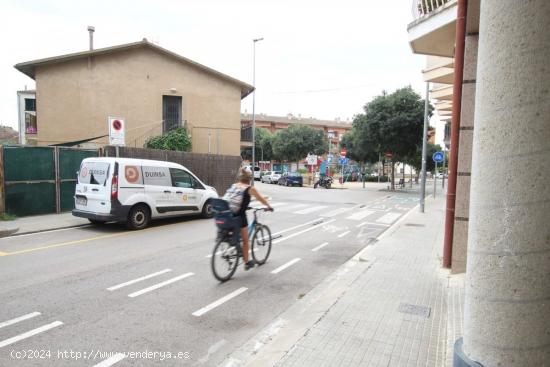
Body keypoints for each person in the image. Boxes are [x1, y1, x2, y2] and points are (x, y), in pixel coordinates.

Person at [224, 167, 273, 270]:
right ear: (249, 179)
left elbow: (235, 199)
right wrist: (268, 206)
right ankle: (247, 262)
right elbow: (260, 199)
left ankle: (235, 248)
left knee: (237, 237)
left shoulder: (234, 185)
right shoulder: (250, 188)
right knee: (246, 241)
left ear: (240, 178)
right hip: (239, 216)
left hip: (227, 215)